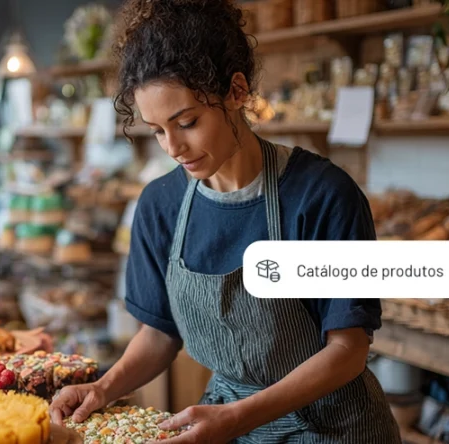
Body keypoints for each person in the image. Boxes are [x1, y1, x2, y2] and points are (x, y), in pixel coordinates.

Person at [50, 1, 401, 442]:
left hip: (332, 427)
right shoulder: (160, 205)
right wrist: (103, 389)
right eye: (157, 130)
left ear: (236, 91)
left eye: (187, 122)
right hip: (227, 421)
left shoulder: (322, 196)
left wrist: (238, 418)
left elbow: (348, 350)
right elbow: (159, 333)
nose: (173, 147)